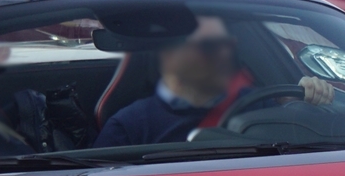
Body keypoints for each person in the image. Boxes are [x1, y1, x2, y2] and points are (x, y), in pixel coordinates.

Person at [96, 16, 331, 147]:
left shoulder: (257, 105)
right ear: (170, 56)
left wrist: (310, 101)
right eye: (209, 47)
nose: (223, 56)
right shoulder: (129, 127)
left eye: (227, 45)